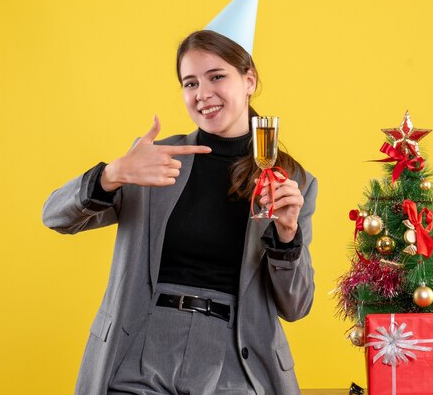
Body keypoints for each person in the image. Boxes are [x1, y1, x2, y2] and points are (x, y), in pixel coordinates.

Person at [42, 29, 318, 395]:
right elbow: (55, 216)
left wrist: (287, 236)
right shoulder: (156, 160)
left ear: (248, 79)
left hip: (236, 360)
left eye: (216, 76)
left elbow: (296, 306)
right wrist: (113, 174)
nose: (203, 94)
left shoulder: (291, 181)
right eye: (190, 83)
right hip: (140, 349)